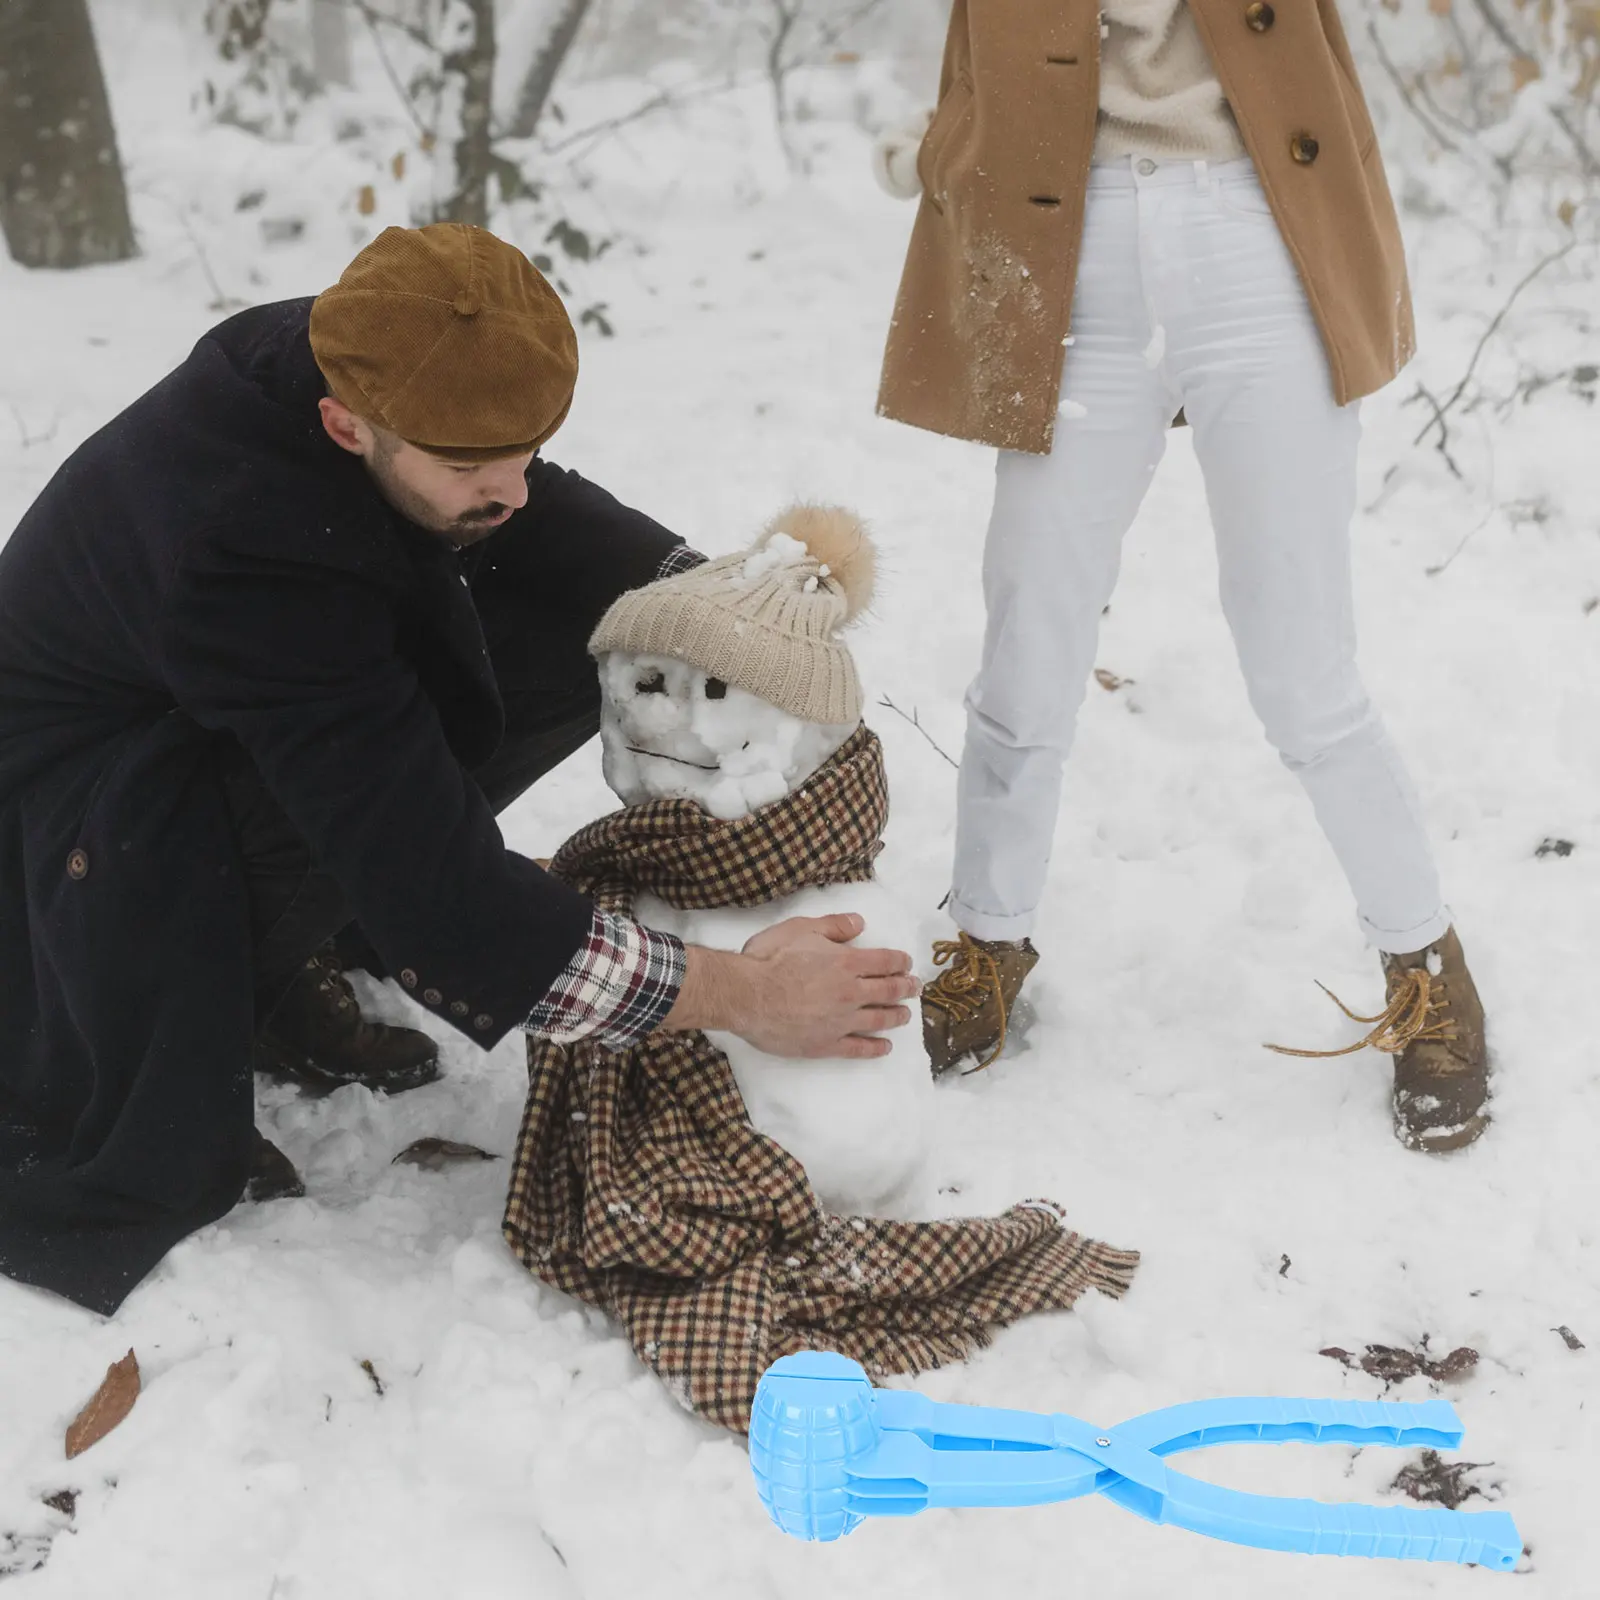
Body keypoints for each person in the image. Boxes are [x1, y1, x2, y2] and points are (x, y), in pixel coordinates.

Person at [0, 222, 919, 1316]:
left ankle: (282, 946)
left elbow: (548, 515)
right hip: (75, 821)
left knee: (573, 632)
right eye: (474, 466)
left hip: (209, 705)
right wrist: (745, 996)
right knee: (360, 807)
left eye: (522, 450)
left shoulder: (362, 349)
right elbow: (445, 902)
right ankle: (216, 982)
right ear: (347, 425)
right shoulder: (246, 561)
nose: (515, 489)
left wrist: (717, 607)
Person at [872, 1, 1488, 1153]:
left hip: (1253, 232)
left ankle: (1426, 961)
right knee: (1029, 632)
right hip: (1073, 245)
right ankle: (991, 940)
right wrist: (944, 151)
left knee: (1299, 658)